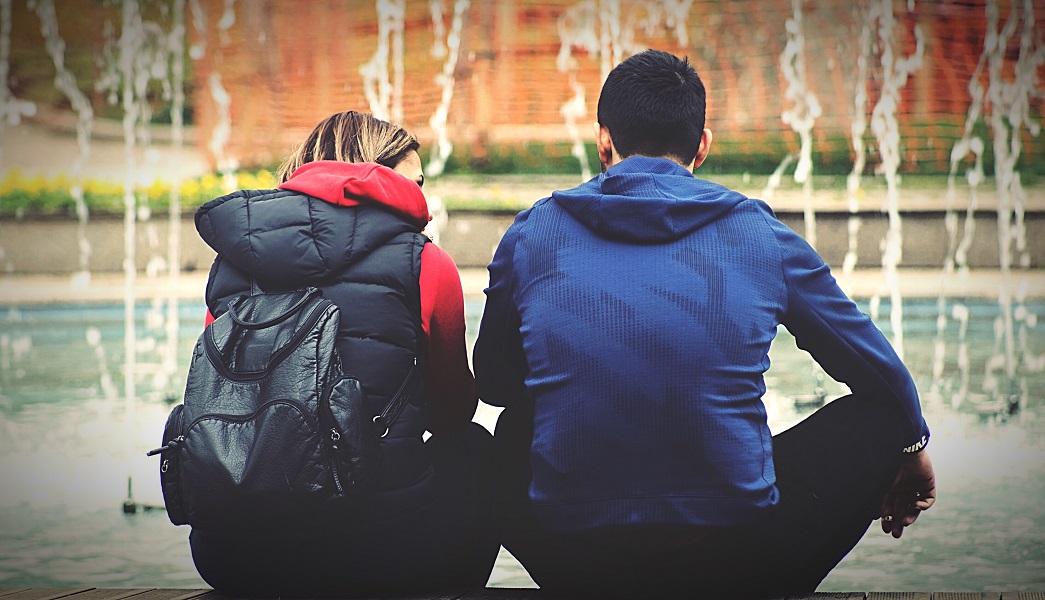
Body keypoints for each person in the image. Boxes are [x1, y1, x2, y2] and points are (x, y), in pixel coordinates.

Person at [473, 49, 937, 599]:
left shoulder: (533, 234)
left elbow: (494, 384)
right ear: (702, 146)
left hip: (578, 561)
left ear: (602, 140)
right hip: (741, 563)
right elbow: (879, 373)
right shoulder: (759, 235)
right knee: (882, 420)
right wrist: (912, 448)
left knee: (506, 433)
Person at [189, 110, 498, 598]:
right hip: (382, 559)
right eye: (415, 182)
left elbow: (211, 394)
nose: (425, 198)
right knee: (473, 447)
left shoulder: (232, 263)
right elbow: (452, 415)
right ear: (380, 179)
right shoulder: (425, 263)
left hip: (234, 557)